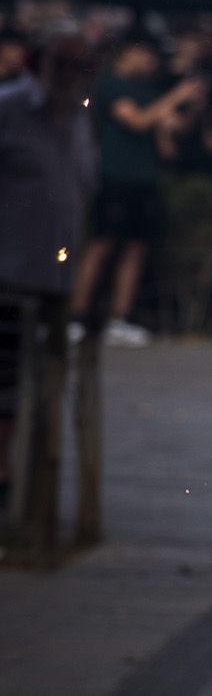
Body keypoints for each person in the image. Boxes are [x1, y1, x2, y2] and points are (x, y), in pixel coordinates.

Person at [0, 28, 96, 512]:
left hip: (54, 278)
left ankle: (29, 492)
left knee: (44, 386)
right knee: (5, 388)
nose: (72, 76)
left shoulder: (76, 121)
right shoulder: (11, 109)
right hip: (8, 275)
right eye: (65, 64)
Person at [68, 33, 208, 348]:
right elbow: (138, 121)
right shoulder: (111, 86)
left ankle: (120, 319)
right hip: (114, 176)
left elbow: (172, 130)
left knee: (135, 249)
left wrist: (193, 106)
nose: (150, 62)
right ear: (128, 54)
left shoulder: (150, 91)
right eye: (145, 55)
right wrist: (176, 95)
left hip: (146, 179)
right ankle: (77, 317)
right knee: (102, 245)